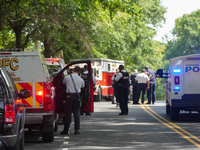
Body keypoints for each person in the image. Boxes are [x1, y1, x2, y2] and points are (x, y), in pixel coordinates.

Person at [61, 66, 85, 135]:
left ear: (73, 70)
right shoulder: (80, 79)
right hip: (77, 96)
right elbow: (83, 86)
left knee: (68, 113)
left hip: (69, 96)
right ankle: (76, 130)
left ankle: (66, 130)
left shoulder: (68, 77)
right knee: (76, 113)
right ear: (79, 72)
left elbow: (63, 83)